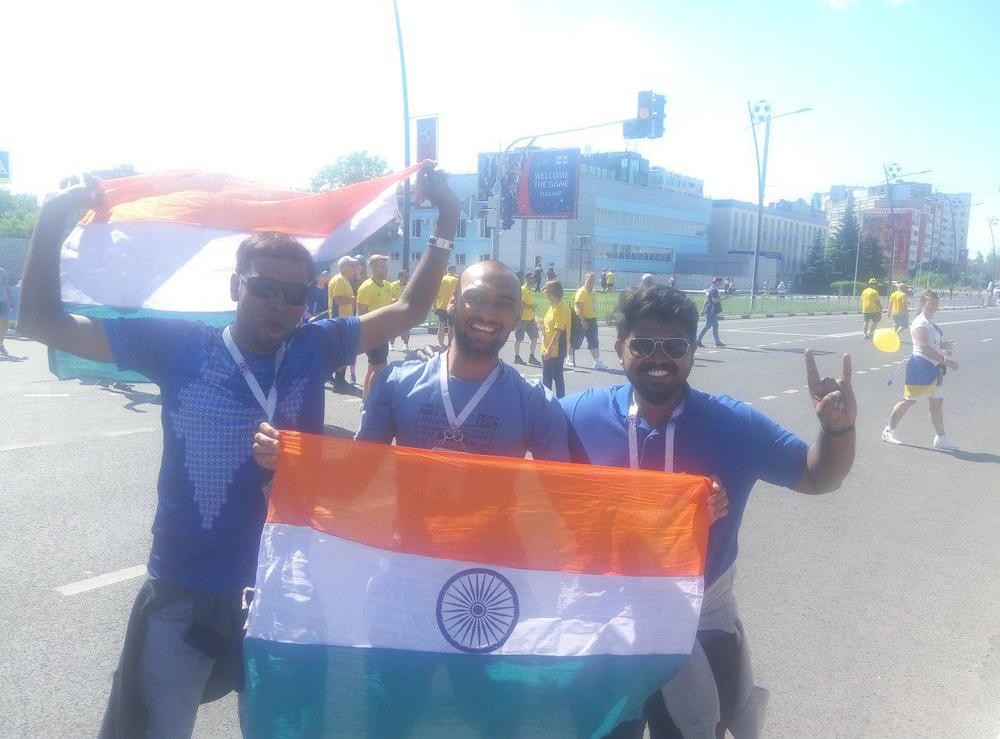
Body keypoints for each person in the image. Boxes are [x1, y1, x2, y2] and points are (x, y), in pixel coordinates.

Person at [16, 167, 460, 738]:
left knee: (284, 730)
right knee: (154, 730)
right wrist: (53, 219)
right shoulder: (177, 346)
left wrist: (447, 219)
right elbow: (41, 321)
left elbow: (408, 311)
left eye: (295, 295)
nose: (281, 305)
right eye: (264, 288)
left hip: (285, 584)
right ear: (235, 287)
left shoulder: (314, 346)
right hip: (187, 586)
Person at [561, 284, 856, 739]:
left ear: (692, 351)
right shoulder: (577, 415)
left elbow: (818, 478)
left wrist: (837, 431)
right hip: (605, 627)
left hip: (700, 627)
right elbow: (509, 461)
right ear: (620, 349)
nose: (659, 358)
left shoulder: (734, 424)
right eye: (644, 344)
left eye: (675, 347)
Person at [881, 290, 960, 451]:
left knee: (937, 402)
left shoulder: (929, 322)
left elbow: (931, 344)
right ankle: (889, 430)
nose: (933, 307)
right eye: (930, 304)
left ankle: (941, 438)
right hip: (920, 367)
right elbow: (923, 347)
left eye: (936, 304)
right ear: (923, 304)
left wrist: (944, 345)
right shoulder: (920, 322)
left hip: (933, 368)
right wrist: (946, 361)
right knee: (909, 400)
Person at [355, 254, 394, 399]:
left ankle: (366, 399)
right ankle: (371, 400)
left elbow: (388, 306)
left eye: (386, 267)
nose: (386, 270)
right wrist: (367, 335)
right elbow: (361, 315)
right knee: (379, 367)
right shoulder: (366, 287)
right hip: (372, 333)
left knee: (374, 366)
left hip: (384, 333)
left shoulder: (387, 285)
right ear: (372, 268)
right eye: (382, 267)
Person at [328, 255, 359, 390]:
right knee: (341, 351)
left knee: (343, 351)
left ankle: (340, 380)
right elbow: (338, 300)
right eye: (352, 265)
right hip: (339, 320)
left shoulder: (345, 280)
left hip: (344, 320)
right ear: (344, 266)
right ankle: (338, 382)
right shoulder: (339, 279)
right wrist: (353, 299)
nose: (354, 268)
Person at [539, 280, 571, 398]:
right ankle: (546, 400)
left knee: (557, 376)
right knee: (546, 376)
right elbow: (550, 324)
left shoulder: (562, 307)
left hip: (556, 348)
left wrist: (550, 349)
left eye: (546, 290)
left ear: (553, 292)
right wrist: (542, 323)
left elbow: (558, 330)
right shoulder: (552, 305)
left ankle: (561, 400)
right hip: (546, 346)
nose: (544, 292)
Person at [574, 272, 606, 369]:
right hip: (582, 319)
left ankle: (597, 362)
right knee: (576, 340)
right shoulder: (581, 291)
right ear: (585, 279)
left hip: (592, 320)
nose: (592, 281)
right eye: (590, 279)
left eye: (593, 279)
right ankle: (570, 358)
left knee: (594, 341)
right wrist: (583, 320)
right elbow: (578, 307)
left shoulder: (593, 292)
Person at [513, 272, 541, 366]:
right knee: (518, 338)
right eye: (531, 278)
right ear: (527, 279)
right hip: (522, 318)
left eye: (533, 278)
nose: (533, 280)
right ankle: (517, 357)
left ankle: (531, 357)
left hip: (530, 318)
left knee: (534, 337)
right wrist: (531, 306)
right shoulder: (523, 289)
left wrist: (534, 313)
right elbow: (521, 304)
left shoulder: (530, 290)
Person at [696, 276, 726, 348]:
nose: (721, 284)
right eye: (720, 282)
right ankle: (698, 340)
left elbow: (706, 300)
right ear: (716, 282)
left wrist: (703, 309)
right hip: (711, 311)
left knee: (715, 326)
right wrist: (723, 298)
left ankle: (717, 342)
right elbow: (714, 300)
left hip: (711, 310)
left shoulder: (710, 289)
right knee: (708, 326)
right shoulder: (714, 290)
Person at [435, 264, 459, 347]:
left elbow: (436, 293)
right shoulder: (457, 280)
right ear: (454, 270)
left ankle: (441, 343)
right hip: (452, 306)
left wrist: (434, 304)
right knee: (451, 326)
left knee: (441, 325)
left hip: (441, 305)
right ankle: (449, 343)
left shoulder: (442, 279)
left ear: (447, 270)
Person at [390, 269, 411, 351]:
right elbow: (388, 298)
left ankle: (405, 345)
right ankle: (391, 344)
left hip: (405, 310)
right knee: (392, 328)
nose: (407, 278)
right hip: (394, 310)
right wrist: (398, 300)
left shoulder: (410, 286)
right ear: (400, 277)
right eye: (405, 277)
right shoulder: (392, 285)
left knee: (406, 328)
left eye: (408, 277)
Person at [0, 266, 12, 357]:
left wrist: (11, 300)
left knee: (5, 323)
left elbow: (7, 287)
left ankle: (0, 344)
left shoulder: (2, 271)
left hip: (3, 301)